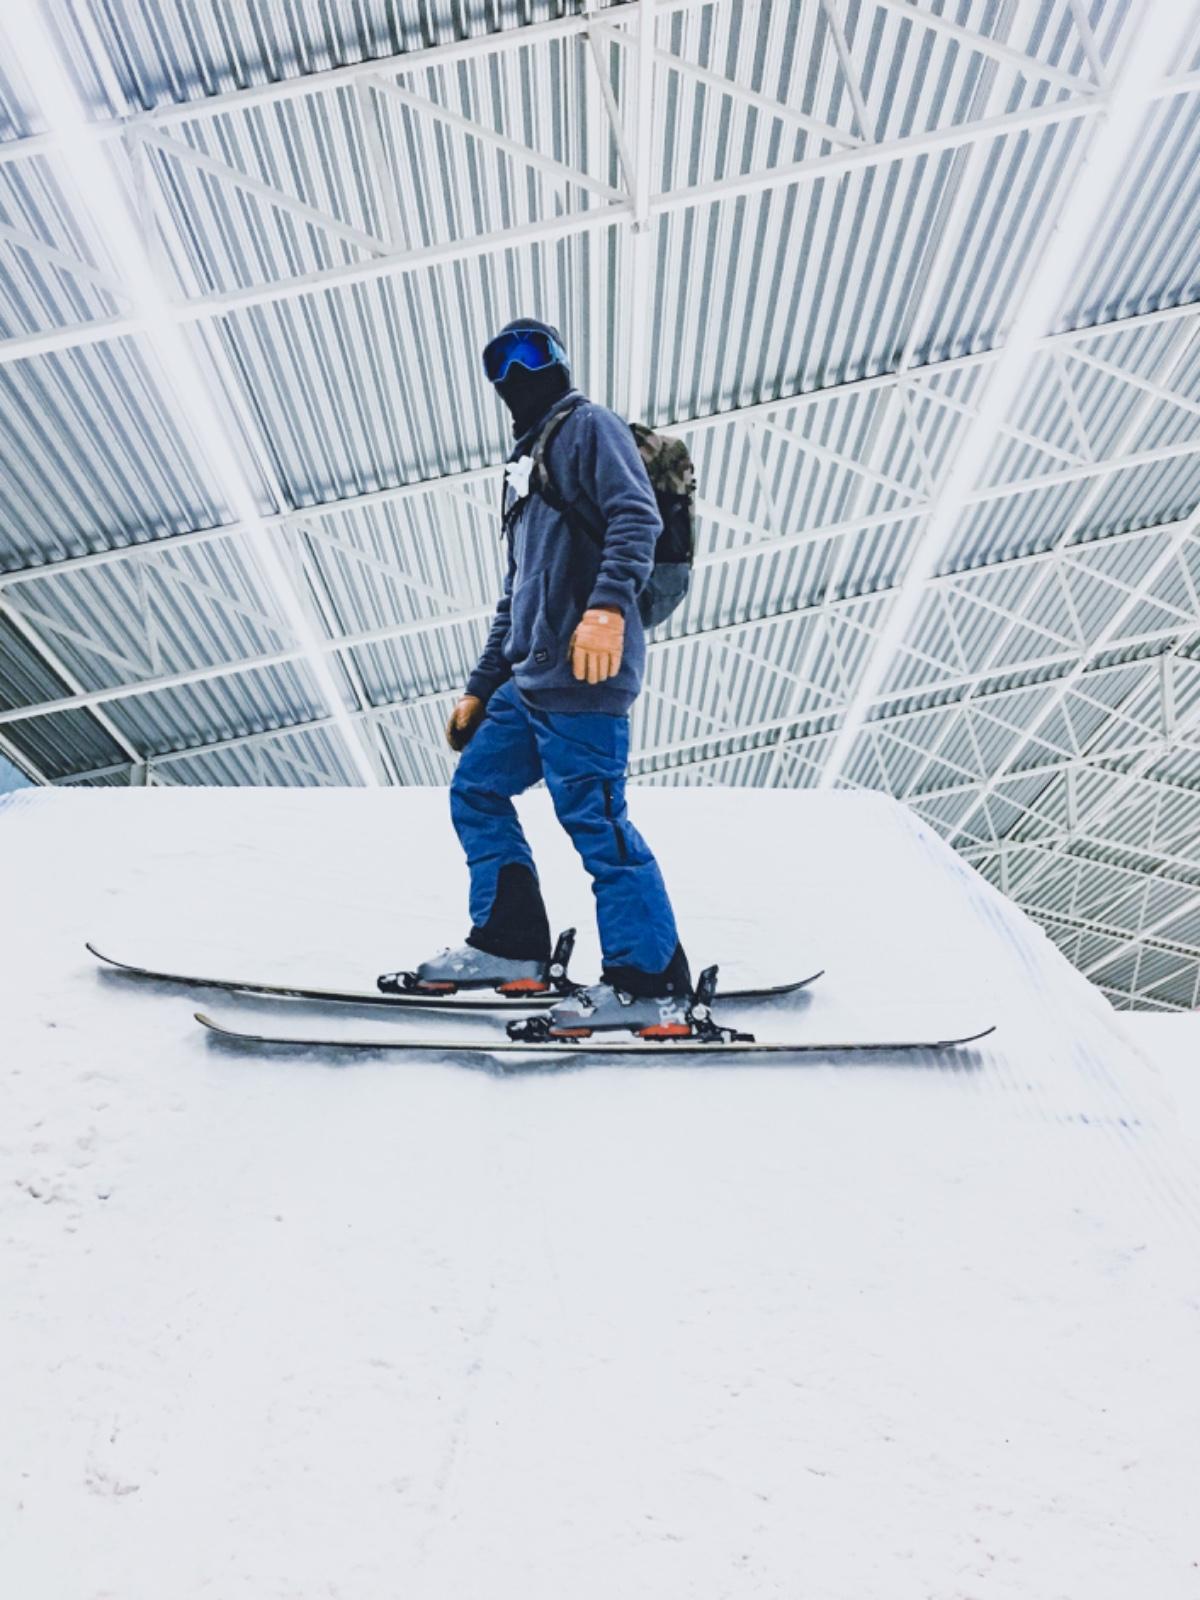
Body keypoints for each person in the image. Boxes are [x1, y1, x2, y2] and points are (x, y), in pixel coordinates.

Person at [407, 317, 691, 1036]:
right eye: (499, 361)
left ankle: (649, 981)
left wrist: (605, 611)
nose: (515, 371)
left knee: (596, 820)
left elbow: (636, 517)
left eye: (531, 352)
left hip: (589, 678)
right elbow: (517, 592)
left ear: (559, 359)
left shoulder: (590, 427)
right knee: (476, 787)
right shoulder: (523, 470)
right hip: (529, 680)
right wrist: (480, 684)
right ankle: (510, 947)